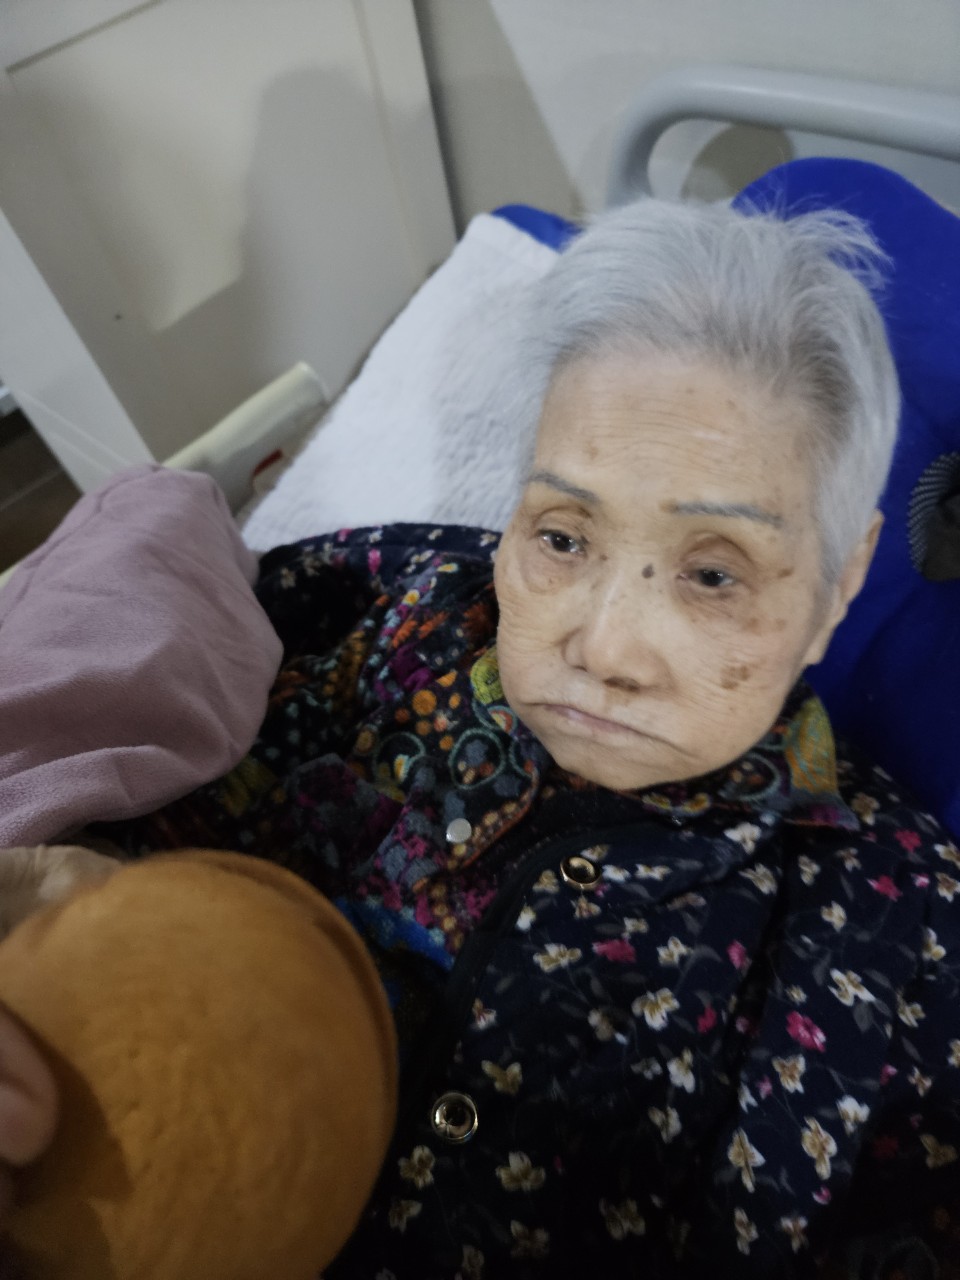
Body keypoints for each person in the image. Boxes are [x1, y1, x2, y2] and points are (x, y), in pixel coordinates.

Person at [8, 198, 960, 1277]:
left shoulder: (905, 929)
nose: (604, 647)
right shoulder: (399, 605)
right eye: (563, 536)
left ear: (841, 579)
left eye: (711, 572)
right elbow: (156, 534)